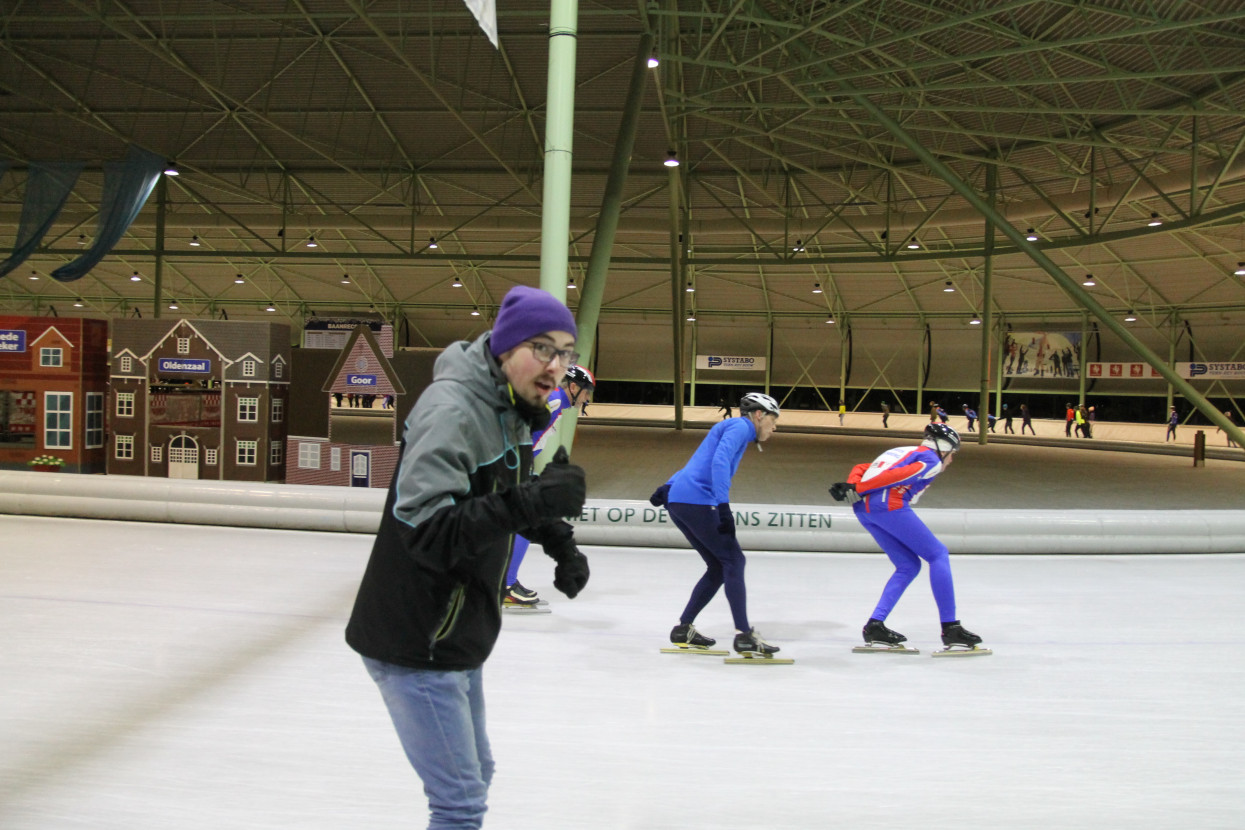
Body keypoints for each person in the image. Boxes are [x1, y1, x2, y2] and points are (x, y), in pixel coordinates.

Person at [345, 285, 591, 830]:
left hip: (455, 631)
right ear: (505, 348)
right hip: (417, 637)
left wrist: (558, 540)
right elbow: (427, 533)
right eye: (543, 348)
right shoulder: (452, 411)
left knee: (477, 772)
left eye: (567, 352)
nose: (557, 367)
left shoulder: (509, 406)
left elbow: (502, 489)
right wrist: (530, 501)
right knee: (459, 804)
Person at [828, 423, 987, 654]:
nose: (951, 460)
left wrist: (853, 484)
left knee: (908, 565)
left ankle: (875, 625)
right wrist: (859, 488)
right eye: (952, 454)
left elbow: (863, 466)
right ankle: (951, 627)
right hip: (887, 505)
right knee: (938, 554)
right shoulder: (930, 460)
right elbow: (899, 475)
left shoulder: (902, 451)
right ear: (943, 448)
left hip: (864, 510)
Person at [651, 392, 783, 657]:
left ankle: (683, 628)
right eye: (773, 420)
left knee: (718, 566)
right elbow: (719, 460)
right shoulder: (741, 426)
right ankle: (744, 635)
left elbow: (698, 459)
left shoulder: (732, 428)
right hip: (698, 500)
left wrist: (668, 485)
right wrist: (723, 506)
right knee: (734, 561)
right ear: (759, 415)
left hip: (680, 499)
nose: (774, 427)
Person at [505, 364, 596, 609]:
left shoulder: (555, 402)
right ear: (574, 387)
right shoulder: (554, 399)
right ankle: (506, 584)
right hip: (513, 465)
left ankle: (499, 579)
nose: (587, 399)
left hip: (515, 464)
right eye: (587, 392)